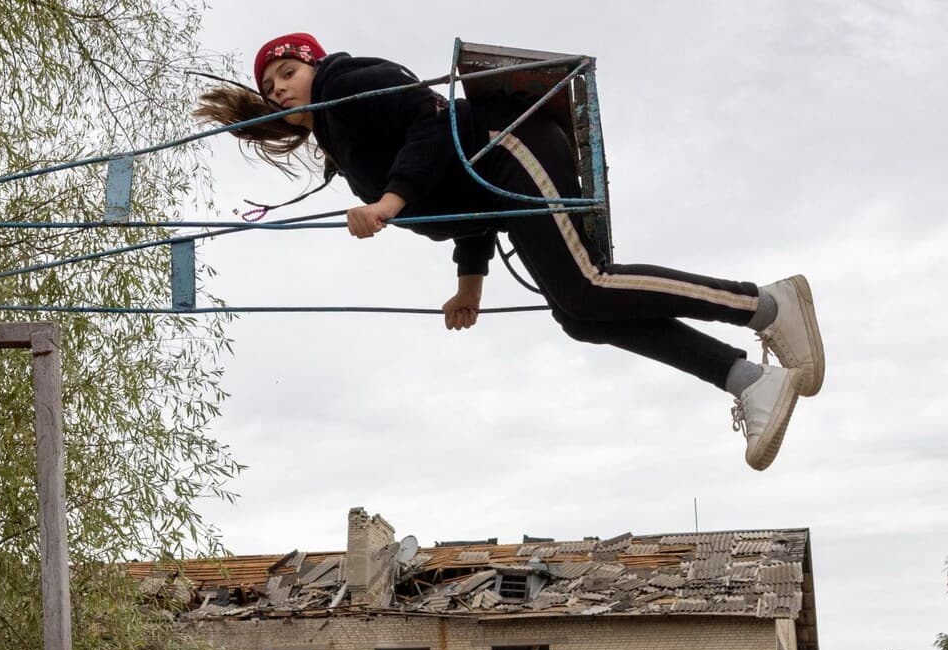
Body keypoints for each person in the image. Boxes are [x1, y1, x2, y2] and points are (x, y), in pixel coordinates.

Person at [197, 35, 827, 472]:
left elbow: (433, 126)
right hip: (493, 185)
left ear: (315, 65)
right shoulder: (341, 142)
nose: (280, 88)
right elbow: (458, 198)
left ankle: (766, 307)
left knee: (589, 284)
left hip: (513, 146)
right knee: (580, 314)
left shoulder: (349, 81)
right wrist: (470, 283)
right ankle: (747, 379)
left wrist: (389, 202)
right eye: (270, 85)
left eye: (288, 71)